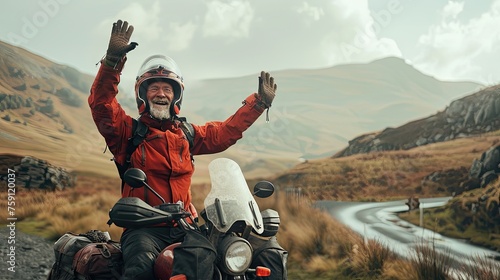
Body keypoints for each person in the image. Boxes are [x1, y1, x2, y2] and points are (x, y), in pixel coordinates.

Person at [89, 20, 286, 280]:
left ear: (176, 96)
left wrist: (258, 104)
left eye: (167, 88)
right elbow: (101, 104)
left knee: (223, 263)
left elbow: (225, 133)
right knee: (140, 269)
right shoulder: (128, 133)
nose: (161, 93)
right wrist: (113, 61)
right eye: (155, 88)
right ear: (143, 96)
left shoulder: (187, 134)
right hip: (144, 231)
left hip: (186, 226)